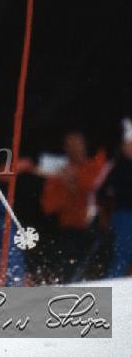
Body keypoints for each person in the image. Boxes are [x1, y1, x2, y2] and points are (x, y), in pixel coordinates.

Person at [40, 131, 107, 282]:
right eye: (70, 145)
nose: (75, 148)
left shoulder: (94, 167)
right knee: (70, 270)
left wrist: (75, 181)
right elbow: (48, 206)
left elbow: (95, 187)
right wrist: (65, 184)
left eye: (77, 144)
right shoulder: (58, 174)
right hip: (69, 230)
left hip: (97, 227)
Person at [100, 118, 132, 277]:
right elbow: (102, 191)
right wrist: (105, 214)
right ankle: (113, 281)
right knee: (123, 253)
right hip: (124, 215)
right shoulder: (117, 166)